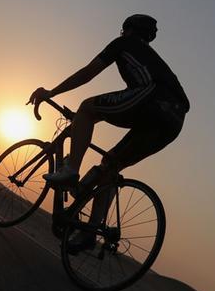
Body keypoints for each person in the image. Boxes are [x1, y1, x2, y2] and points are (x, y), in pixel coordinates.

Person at [27, 14, 189, 252]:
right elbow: (121, 106)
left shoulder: (124, 44)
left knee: (87, 107)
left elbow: (87, 73)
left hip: (153, 99)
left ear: (128, 30)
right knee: (110, 166)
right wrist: (85, 122)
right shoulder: (151, 60)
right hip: (174, 121)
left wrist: (51, 93)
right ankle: (89, 233)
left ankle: (71, 171)